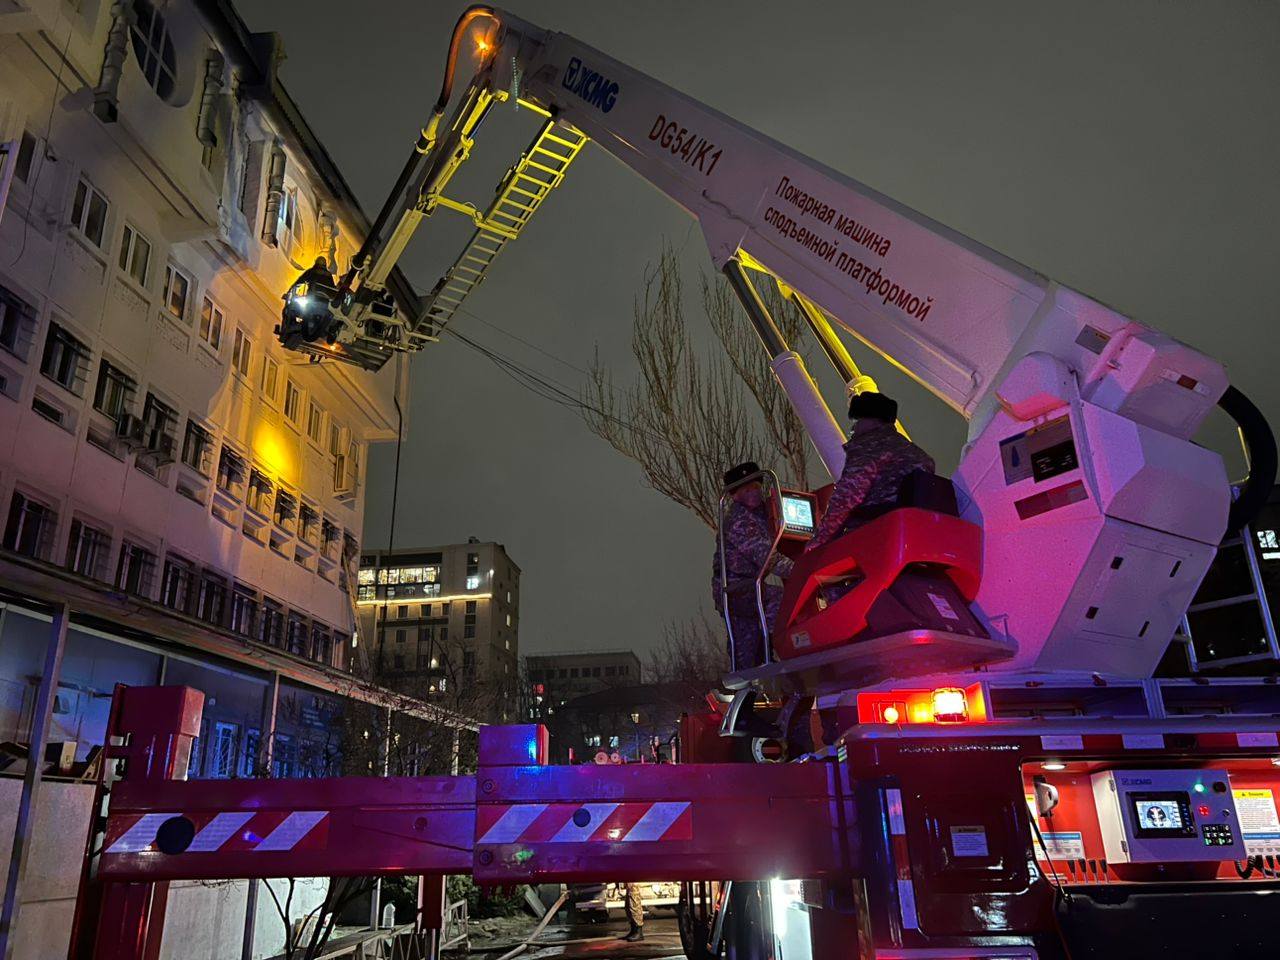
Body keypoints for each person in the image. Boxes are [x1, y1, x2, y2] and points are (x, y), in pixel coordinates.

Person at [805, 392, 935, 554]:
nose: (853, 429)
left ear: (872, 421)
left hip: (876, 537)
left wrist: (815, 545)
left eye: (857, 421)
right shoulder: (917, 454)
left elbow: (845, 501)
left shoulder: (870, 449)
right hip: (916, 538)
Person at [712, 461, 793, 669]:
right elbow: (768, 558)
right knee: (745, 655)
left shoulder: (764, 511)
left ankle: (769, 652)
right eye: (747, 490)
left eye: (756, 487)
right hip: (736, 589)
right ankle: (773, 648)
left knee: (752, 646)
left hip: (752, 585)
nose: (754, 493)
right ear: (735, 496)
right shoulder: (738, 520)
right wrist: (801, 570)